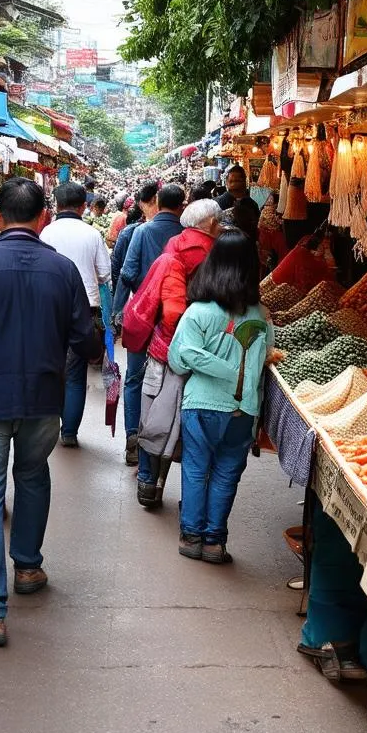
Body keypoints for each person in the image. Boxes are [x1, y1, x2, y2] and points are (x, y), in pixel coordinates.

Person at [0, 178, 102, 647]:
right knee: (32, 475)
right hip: (42, 398)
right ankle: (28, 567)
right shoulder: (63, 271)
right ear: (42, 219)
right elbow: (88, 343)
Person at [168, 230, 279, 563]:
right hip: (242, 410)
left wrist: (219, 367)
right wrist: (239, 374)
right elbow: (265, 356)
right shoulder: (260, 316)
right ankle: (215, 542)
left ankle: (191, 536)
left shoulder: (198, 312)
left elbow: (178, 357)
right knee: (226, 473)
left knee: (195, 468)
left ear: (212, 265)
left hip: (201, 405)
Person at [136, 199, 223, 507]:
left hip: (163, 346)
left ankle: (148, 482)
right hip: (200, 349)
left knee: (156, 414)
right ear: (211, 223)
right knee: (191, 423)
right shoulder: (214, 251)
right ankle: (191, 496)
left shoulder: (175, 245)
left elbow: (170, 309)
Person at [115, 184, 186, 464]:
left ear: (156, 201)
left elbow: (127, 272)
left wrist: (121, 310)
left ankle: (133, 438)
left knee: (134, 378)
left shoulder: (142, 232)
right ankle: (164, 443)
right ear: (182, 205)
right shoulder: (184, 235)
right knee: (172, 381)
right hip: (175, 322)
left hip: (143, 318)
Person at [40, 181, 112, 447]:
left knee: (50, 368)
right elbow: (105, 274)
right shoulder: (92, 235)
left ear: (56, 205)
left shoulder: (46, 232)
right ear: (84, 206)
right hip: (84, 310)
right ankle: (69, 432)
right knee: (75, 373)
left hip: (48, 309)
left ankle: (47, 426)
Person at [110, 181, 158, 306]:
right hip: (139, 298)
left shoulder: (131, 231)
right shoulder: (131, 231)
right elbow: (119, 269)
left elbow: (118, 269)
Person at [111, 203, 143, 290]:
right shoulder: (127, 232)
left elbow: (116, 263)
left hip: (127, 282)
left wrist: (116, 287)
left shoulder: (126, 232)